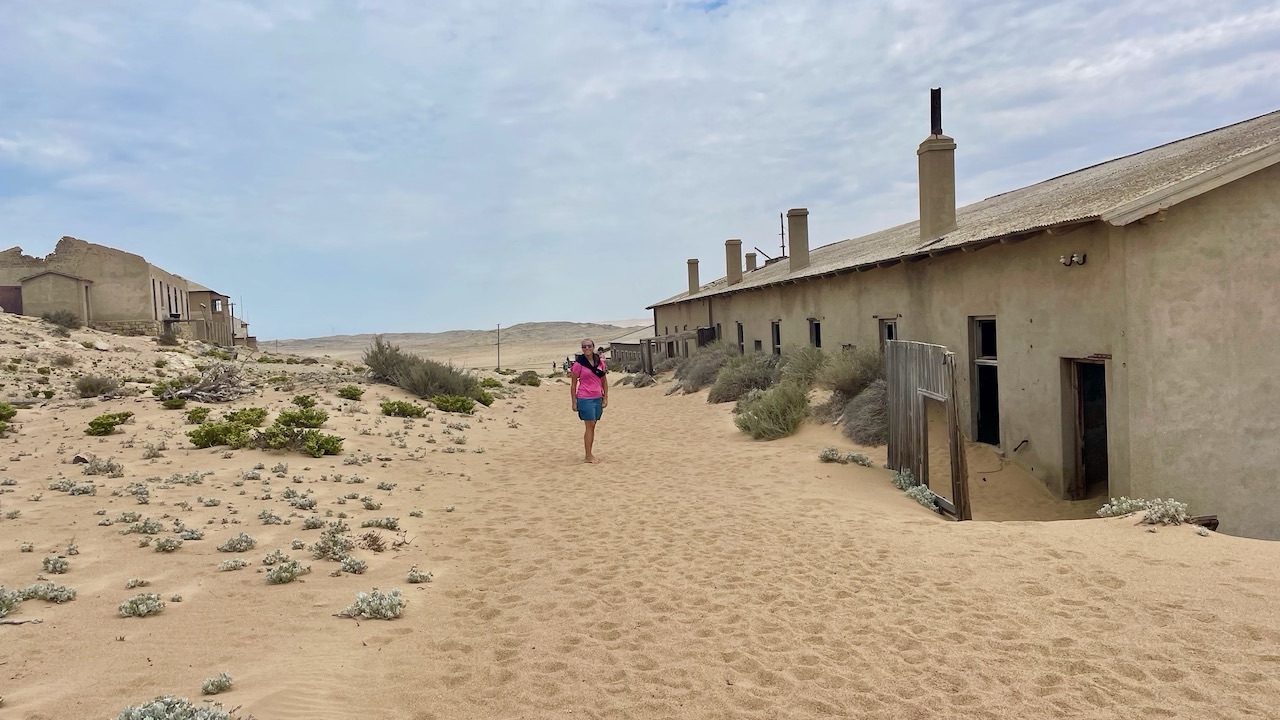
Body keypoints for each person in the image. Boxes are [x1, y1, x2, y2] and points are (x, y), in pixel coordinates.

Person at [570, 338, 608, 463]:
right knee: (589, 425)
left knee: (593, 425)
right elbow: (573, 384)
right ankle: (588, 456)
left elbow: (604, 381)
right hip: (584, 397)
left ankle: (589, 453)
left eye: (589, 346)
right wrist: (574, 401)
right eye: (584, 346)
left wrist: (605, 397)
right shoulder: (578, 364)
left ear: (593, 347)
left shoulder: (600, 362)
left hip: (597, 397)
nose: (587, 348)